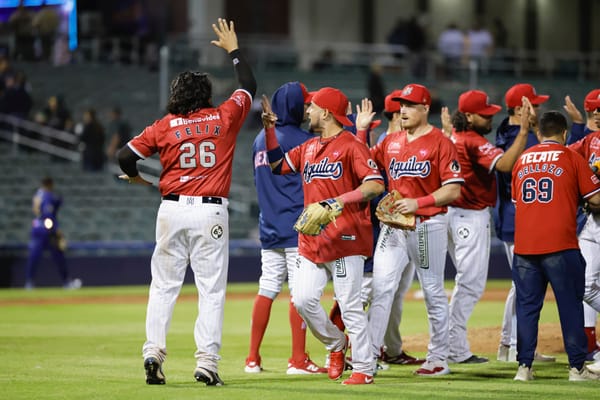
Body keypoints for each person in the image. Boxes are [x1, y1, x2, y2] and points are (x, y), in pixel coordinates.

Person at [117, 18, 256, 386]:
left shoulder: (164, 126)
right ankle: (207, 363)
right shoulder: (224, 116)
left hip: (172, 209)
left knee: (163, 286)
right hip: (210, 210)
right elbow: (249, 86)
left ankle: (153, 353)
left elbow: (124, 155)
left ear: (177, 96)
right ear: (207, 95)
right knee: (211, 289)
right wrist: (234, 52)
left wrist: (137, 177)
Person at [262, 86, 385, 385]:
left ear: (327, 112)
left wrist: (339, 201)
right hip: (312, 239)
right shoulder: (308, 147)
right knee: (302, 300)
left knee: (349, 303)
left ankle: (364, 369)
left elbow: (375, 185)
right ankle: (336, 344)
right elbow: (277, 165)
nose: (307, 111)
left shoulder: (351, 146)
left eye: (313, 106)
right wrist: (269, 130)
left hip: (345, 240)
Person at [367, 83, 464, 376]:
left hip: (428, 224)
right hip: (394, 226)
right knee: (381, 288)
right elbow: (364, 163)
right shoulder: (392, 141)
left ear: (425, 108)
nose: (403, 110)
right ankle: (367, 356)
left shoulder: (440, 143)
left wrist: (418, 202)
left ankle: (438, 359)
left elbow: (454, 190)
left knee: (432, 289)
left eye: (409, 105)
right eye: (401, 105)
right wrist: (361, 131)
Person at [511, 110, 600, 382]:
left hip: (524, 248)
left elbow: (518, 202)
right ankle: (576, 368)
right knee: (570, 306)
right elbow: (596, 200)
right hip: (561, 245)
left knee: (526, 308)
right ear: (564, 134)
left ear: (539, 134)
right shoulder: (572, 158)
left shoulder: (522, 160)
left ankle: (524, 368)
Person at [444, 90, 530, 364]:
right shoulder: (471, 140)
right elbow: (505, 164)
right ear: (468, 116)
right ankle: (454, 348)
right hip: (469, 215)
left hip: (453, 214)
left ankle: (448, 344)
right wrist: (524, 132)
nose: (490, 116)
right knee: (469, 283)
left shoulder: (454, 138)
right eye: (485, 113)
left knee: (463, 282)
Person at [245, 81, 325, 375]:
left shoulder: (258, 140)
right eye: (304, 104)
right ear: (293, 107)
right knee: (299, 293)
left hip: (269, 226)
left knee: (267, 288)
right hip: (297, 227)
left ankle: (252, 358)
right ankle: (298, 359)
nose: (307, 108)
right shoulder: (302, 140)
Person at [494, 83, 556, 363]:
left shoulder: (515, 134)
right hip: (517, 219)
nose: (539, 108)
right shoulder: (514, 138)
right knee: (523, 284)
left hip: (520, 219)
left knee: (523, 285)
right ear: (520, 108)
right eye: (535, 104)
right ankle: (511, 346)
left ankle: (513, 345)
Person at [564, 89, 600, 359]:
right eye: (593, 111)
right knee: (586, 284)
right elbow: (561, 154)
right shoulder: (589, 142)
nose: (597, 115)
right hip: (592, 222)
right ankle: (589, 344)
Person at [24, 176, 81, 290]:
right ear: (50, 184)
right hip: (46, 230)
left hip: (37, 228)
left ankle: (29, 282)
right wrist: (56, 231)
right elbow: (48, 216)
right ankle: (66, 282)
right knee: (57, 256)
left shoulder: (38, 194)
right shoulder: (47, 195)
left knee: (34, 257)